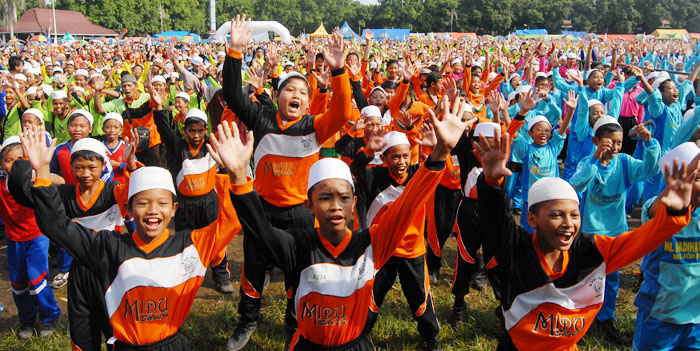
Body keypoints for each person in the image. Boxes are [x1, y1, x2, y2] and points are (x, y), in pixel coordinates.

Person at [212, 91, 471, 351]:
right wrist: (237, 177)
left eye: (343, 197)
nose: (335, 206)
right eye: (325, 198)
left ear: (354, 203)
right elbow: (259, 231)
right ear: (309, 205)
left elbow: (409, 203)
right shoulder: (298, 245)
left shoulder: (373, 243)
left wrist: (440, 152)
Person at [19, 123, 241, 351]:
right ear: (128, 208)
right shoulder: (107, 247)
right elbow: (57, 227)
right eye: (143, 203)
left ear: (174, 209)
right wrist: (43, 171)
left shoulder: (191, 246)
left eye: (162, 203)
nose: (153, 210)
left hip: (173, 344)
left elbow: (231, 222)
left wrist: (233, 173)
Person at [472, 126, 695, 351]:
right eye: (556, 215)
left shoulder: (592, 251)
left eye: (574, 215)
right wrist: (491, 182)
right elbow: (495, 221)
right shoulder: (516, 250)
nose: (568, 223)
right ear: (532, 219)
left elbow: (641, 241)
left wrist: (673, 215)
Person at [221, 16, 352, 350]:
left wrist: (338, 72)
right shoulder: (262, 119)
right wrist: (235, 50)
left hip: (299, 215)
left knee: (298, 272)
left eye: (302, 92)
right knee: (253, 269)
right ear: (277, 96)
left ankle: (294, 321)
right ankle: (247, 320)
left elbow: (341, 111)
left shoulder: (315, 126)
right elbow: (233, 95)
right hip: (262, 211)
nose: (296, 95)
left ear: (308, 101)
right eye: (289, 90)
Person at [569, 116, 660, 343]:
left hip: (615, 232)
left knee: (611, 278)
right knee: (585, 277)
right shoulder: (587, 163)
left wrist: (649, 144)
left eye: (618, 143)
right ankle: (580, 318)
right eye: (609, 142)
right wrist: (595, 160)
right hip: (590, 233)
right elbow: (575, 185)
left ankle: (606, 318)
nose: (615, 147)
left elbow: (650, 169)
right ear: (596, 141)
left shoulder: (625, 163)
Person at [153, 89, 234, 294]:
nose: (196, 135)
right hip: (185, 204)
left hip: (208, 201)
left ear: (206, 130)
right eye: (192, 131)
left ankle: (220, 274)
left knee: (215, 239)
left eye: (200, 131)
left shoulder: (210, 146)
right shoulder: (177, 147)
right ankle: (186, 274)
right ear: (184, 131)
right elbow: (164, 130)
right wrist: (160, 108)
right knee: (185, 239)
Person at [634, 142, 700, 351]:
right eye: (696, 178)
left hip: (696, 319)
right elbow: (656, 211)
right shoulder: (660, 211)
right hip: (659, 314)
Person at [0, 136, 61, 340]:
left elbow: (60, 181)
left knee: (36, 277)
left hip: (37, 235)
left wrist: (41, 174)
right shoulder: (2, 182)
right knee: (18, 281)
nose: (15, 163)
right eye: (9, 160)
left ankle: (49, 316)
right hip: (13, 238)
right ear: (1, 163)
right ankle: (26, 320)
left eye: (20, 158)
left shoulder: (34, 178)